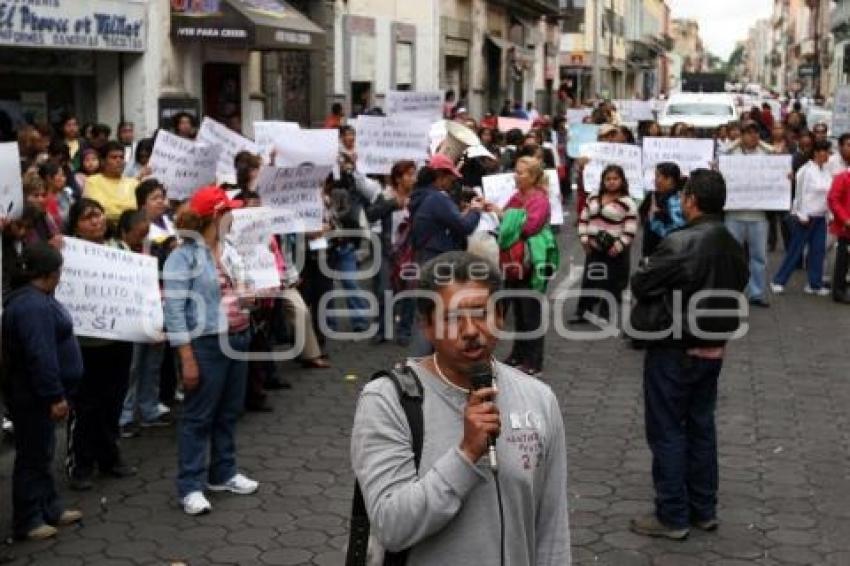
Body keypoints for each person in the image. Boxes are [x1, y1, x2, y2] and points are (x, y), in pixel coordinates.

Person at [350, 251, 570, 565]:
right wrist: (465, 455)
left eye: (482, 313)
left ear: (502, 315)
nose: (470, 330)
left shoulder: (539, 399)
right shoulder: (387, 400)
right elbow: (392, 527)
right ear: (426, 325)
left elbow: (552, 529)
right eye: (453, 317)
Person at [629, 169, 748, 540]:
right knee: (700, 426)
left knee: (667, 430)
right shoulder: (731, 241)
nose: (681, 200)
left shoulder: (681, 242)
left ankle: (673, 515)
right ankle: (703, 510)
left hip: (676, 347)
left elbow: (642, 281)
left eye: (684, 195)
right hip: (713, 348)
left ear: (692, 199)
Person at [163, 186, 258, 515]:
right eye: (228, 210)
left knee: (229, 412)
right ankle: (190, 485)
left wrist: (249, 294)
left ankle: (223, 473)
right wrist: (186, 357)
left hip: (239, 337)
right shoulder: (183, 256)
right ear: (214, 216)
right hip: (206, 342)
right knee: (198, 416)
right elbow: (173, 310)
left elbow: (243, 285)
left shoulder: (229, 248)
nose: (233, 215)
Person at [3, 243, 85, 541]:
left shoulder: (37, 299)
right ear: (51, 273)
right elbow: (41, 355)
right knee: (32, 456)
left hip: (37, 394)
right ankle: (28, 519)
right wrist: (54, 396)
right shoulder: (31, 306)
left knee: (44, 450)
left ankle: (49, 506)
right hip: (33, 397)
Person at [65, 199, 137, 491]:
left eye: (99, 215)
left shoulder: (120, 251)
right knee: (85, 405)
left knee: (113, 400)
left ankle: (109, 456)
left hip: (118, 341)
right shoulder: (67, 253)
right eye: (87, 218)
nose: (95, 221)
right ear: (76, 225)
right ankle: (80, 464)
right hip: (84, 346)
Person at [487, 156, 559, 378]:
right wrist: (496, 211)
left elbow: (528, 227)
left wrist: (505, 215)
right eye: (516, 171)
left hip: (532, 261)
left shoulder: (539, 199)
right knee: (519, 311)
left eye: (522, 172)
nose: (516, 176)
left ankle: (533, 360)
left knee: (531, 312)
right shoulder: (517, 196)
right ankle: (518, 354)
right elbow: (509, 222)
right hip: (513, 262)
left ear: (534, 176)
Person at [572, 165, 638, 324]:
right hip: (593, 248)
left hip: (613, 250)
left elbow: (630, 228)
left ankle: (605, 315)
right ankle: (583, 313)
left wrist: (619, 246)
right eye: (608, 179)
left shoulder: (628, 202)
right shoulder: (593, 197)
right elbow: (583, 219)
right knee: (589, 280)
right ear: (603, 181)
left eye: (615, 179)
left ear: (622, 181)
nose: (611, 182)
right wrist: (584, 239)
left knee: (612, 283)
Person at [722, 120, 775, 307]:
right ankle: (730, 292)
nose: (753, 136)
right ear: (741, 135)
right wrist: (736, 142)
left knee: (759, 257)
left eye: (756, 132)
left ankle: (757, 293)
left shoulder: (766, 155)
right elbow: (721, 154)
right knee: (732, 256)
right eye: (748, 132)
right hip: (734, 214)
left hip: (758, 216)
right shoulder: (731, 154)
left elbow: (778, 158)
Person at [769, 139, 831, 296]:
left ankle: (814, 284)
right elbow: (799, 193)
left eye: (828, 151)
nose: (827, 155)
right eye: (825, 151)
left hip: (820, 217)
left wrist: (829, 215)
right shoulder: (805, 170)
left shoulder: (826, 171)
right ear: (816, 153)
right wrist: (801, 213)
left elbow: (828, 195)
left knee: (818, 251)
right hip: (806, 217)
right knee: (795, 251)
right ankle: (778, 281)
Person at [83, 141, 139, 223]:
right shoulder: (93, 181)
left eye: (121, 157)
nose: (119, 160)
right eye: (114, 157)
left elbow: (140, 210)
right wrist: (128, 210)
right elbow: (101, 210)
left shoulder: (134, 183)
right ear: (103, 161)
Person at [640, 162, 686, 258]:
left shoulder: (678, 199)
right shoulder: (652, 196)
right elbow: (643, 216)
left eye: (658, 176)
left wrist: (655, 218)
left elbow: (675, 230)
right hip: (650, 252)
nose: (655, 180)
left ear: (669, 180)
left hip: (668, 255)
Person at [828, 170, 850, 304]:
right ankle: (838, 291)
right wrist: (845, 219)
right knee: (843, 260)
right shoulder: (842, 177)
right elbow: (833, 200)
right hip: (846, 227)